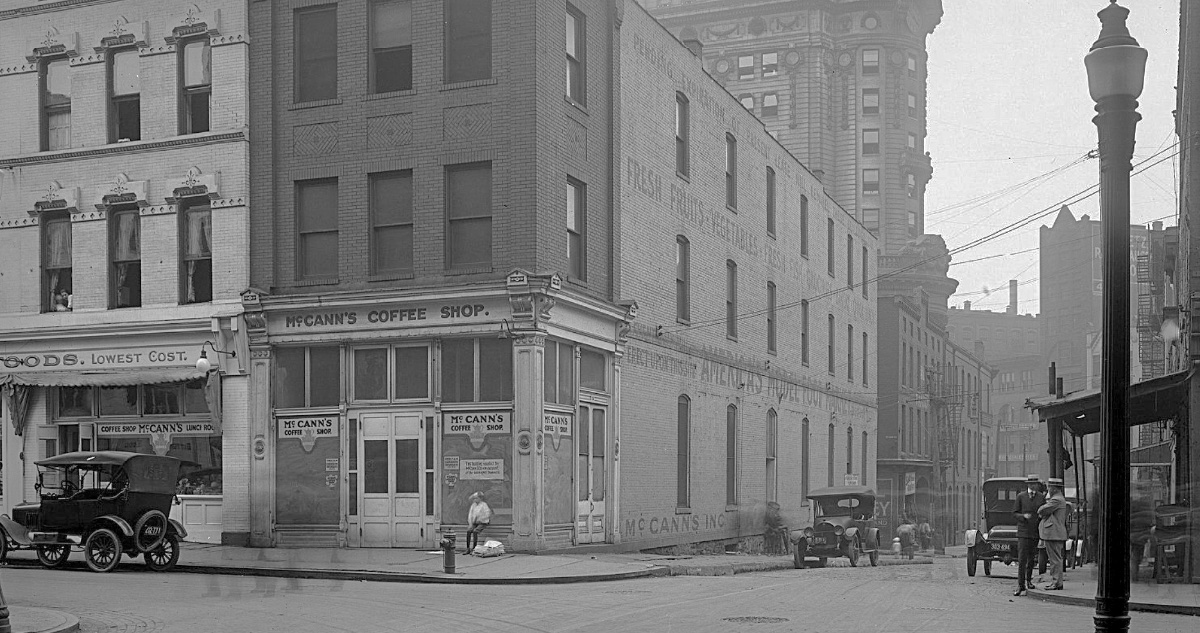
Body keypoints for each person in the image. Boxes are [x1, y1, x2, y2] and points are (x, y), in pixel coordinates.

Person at [1012, 474, 1045, 596]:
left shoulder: (1041, 497)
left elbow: (1043, 512)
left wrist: (1040, 518)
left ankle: (1029, 581)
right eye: (1031, 484)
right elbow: (1014, 513)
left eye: (1035, 484)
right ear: (1028, 485)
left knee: (1031, 559)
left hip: (1034, 532)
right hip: (1023, 532)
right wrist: (1023, 516)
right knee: (1022, 560)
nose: (1033, 486)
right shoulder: (1021, 496)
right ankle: (1020, 585)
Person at [1037, 477, 1069, 590]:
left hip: (1053, 533)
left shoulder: (1056, 500)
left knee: (1055, 559)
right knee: (1055, 559)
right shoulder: (1058, 499)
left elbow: (1041, 510)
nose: (1048, 490)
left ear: (1054, 488)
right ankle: (1056, 581)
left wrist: (1042, 511)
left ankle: (1056, 582)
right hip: (1055, 533)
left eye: (1050, 487)